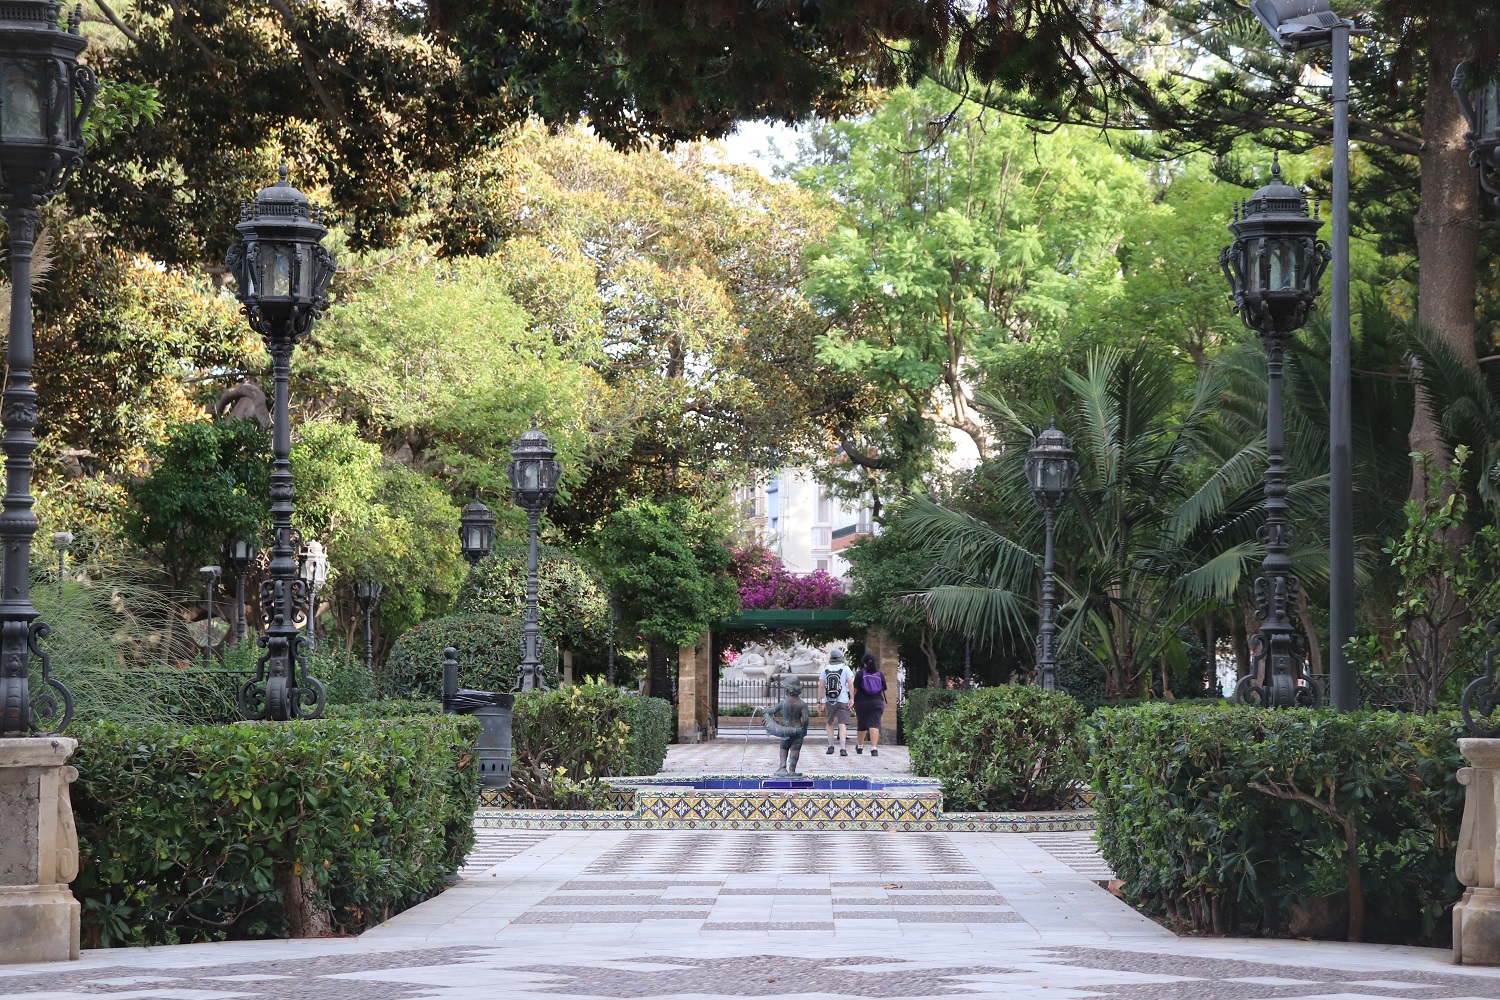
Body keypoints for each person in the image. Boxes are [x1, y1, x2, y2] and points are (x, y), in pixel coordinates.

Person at [764, 675, 811, 775]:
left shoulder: (783, 702)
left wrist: (766, 710)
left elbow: (773, 711)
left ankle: (782, 767)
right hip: (798, 730)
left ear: (786, 689)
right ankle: (792, 770)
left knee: (783, 748)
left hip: (785, 730)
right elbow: (806, 720)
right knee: (795, 749)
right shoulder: (802, 704)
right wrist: (804, 729)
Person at [820, 647, 854, 756]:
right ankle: (843, 749)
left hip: (829, 699)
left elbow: (821, 685)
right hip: (843, 699)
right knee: (842, 723)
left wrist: (818, 701)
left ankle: (830, 746)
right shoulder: (845, 668)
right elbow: (850, 683)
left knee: (829, 722)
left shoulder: (825, 669)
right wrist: (852, 698)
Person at [853, 652, 887, 756]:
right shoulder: (879, 674)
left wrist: (852, 700)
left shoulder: (860, 673)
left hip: (862, 702)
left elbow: (855, 689)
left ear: (864, 662)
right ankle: (874, 748)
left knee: (861, 724)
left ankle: (860, 746)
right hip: (877, 701)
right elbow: (884, 688)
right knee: (875, 724)